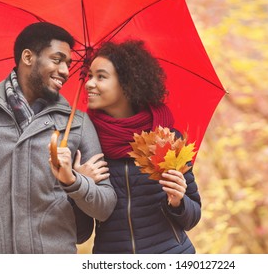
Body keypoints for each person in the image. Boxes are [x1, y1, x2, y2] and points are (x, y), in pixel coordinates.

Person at [0, 22, 116, 254]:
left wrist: (74, 182)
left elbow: (106, 206)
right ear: (28, 57)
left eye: (68, 63)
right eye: (57, 60)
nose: (66, 71)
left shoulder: (77, 124)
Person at [77, 40, 201, 253]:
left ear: (127, 84)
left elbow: (192, 217)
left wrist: (178, 201)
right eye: (89, 76)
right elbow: (80, 233)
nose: (89, 83)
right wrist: (80, 185)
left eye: (101, 76)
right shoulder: (86, 142)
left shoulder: (166, 139)